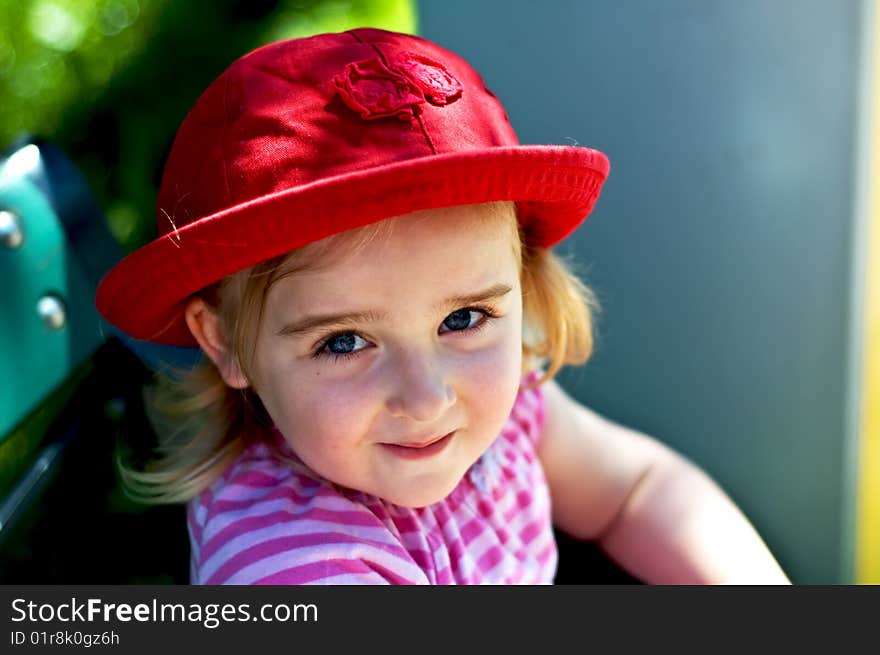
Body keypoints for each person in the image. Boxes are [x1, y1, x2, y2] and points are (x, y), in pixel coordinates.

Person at [96, 28, 790, 585]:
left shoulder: (507, 406)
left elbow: (637, 489)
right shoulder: (294, 565)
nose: (426, 399)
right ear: (225, 342)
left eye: (462, 319)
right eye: (342, 341)